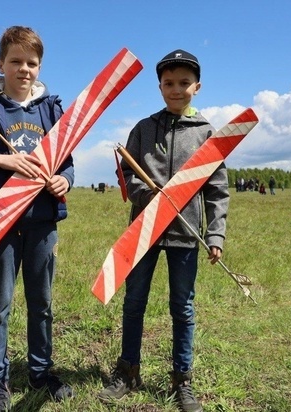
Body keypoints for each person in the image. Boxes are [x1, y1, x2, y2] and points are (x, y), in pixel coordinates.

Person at [97, 49, 229, 412]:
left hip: (186, 235)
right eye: (169, 83)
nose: (176, 89)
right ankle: (127, 370)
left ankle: (182, 379)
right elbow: (127, 172)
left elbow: (217, 189)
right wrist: (146, 194)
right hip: (144, 231)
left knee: (182, 307)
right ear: (159, 86)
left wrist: (215, 235)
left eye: (184, 83)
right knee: (134, 301)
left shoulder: (207, 134)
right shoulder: (143, 128)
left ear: (197, 87)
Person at [0, 26, 74, 411]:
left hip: (40, 221)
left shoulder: (52, 110)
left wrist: (62, 180)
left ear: (40, 67)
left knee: (42, 302)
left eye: (31, 63)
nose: (24, 69)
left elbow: (67, 163)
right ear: (1, 63)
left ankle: (40, 372)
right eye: (15, 61)